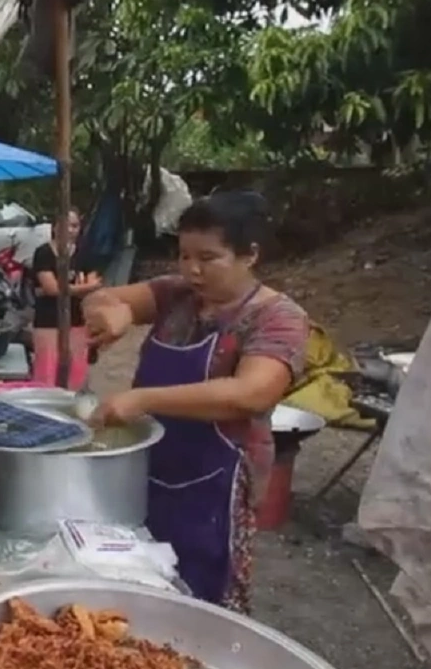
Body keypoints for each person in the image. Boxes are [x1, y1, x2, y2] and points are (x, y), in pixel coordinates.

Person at [82, 191, 308, 613]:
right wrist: (114, 313)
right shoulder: (176, 294)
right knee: (141, 579)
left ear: (250, 255)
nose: (192, 269)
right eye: (184, 256)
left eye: (208, 257)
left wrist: (144, 398)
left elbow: (251, 393)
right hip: (154, 466)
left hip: (218, 482)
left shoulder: (277, 318)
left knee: (204, 599)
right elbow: (100, 297)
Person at [30, 207, 101, 390]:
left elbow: (94, 284)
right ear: (55, 227)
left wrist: (70, 289)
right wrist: (82, 287)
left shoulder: (85, 253)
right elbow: (51, 288)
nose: (71, 230)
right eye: (66, 225)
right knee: (46, 372)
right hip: (48, 321)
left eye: (75, 226)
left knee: (77, 371)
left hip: (77, 320)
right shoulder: (43, 253)